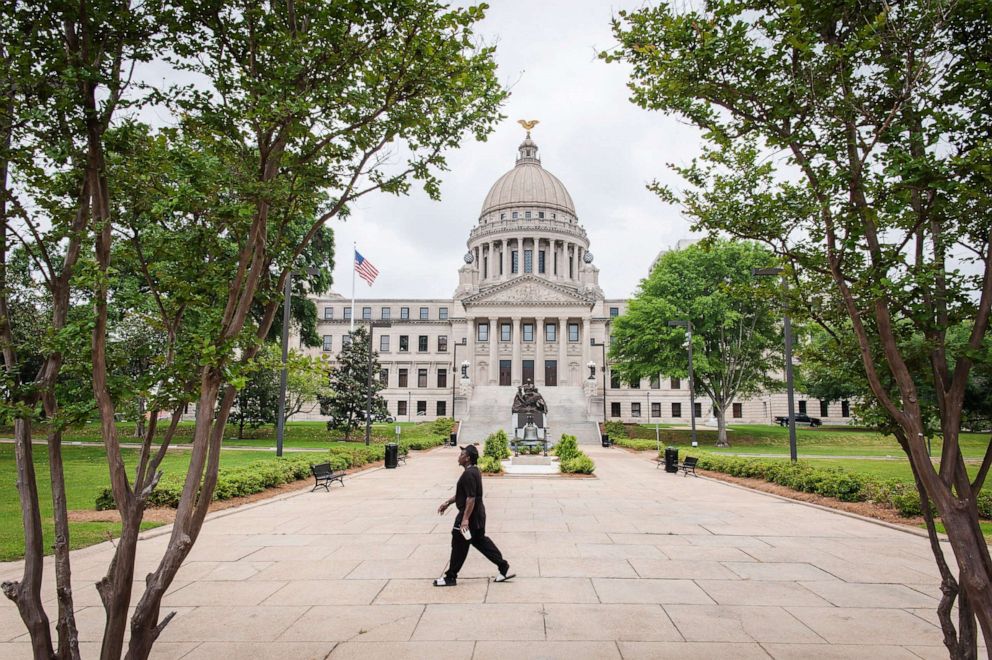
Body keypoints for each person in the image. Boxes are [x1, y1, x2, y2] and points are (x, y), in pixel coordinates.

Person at [434, 444, 513, 586]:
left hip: (469, 517)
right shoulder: (475, 471)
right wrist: (448, 503)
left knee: (459, 544)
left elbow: (471, 498)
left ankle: (450, 577)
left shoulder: (468, 474)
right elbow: (464, 494)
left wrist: (464, 520)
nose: (459, 457)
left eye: (462, 454)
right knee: (480, 541)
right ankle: (503, 565)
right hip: (478, 516)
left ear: (468, 458)